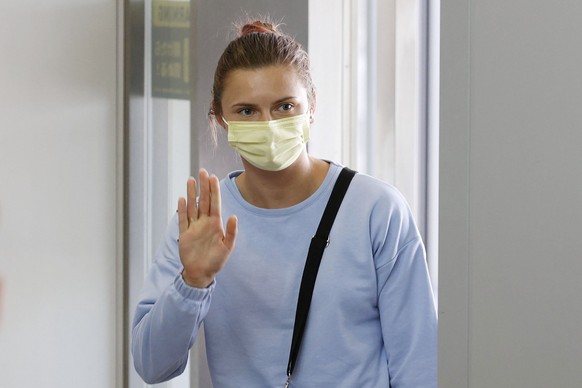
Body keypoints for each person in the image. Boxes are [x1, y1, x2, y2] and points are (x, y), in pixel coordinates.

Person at [132, 19, 437, 387]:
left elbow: (420, 366)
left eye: (284, 106)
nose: (269, 124)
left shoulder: (376, 210)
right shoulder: (204, 223)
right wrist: (193, 281)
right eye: (247, 111)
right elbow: (152, 365)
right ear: (220, 118)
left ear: (311, 106)